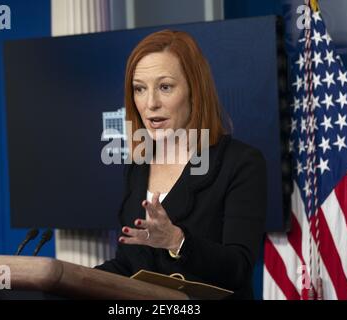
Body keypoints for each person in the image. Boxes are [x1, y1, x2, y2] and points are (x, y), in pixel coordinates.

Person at [95, 29, 267, 300]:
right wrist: (70, 280)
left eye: (165, 87)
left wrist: (177, 241)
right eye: (140, 89)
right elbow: (130, 265)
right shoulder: (137, 165)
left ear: (194, 90)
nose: (150, 103)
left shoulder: (241, 163)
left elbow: (239, 267)